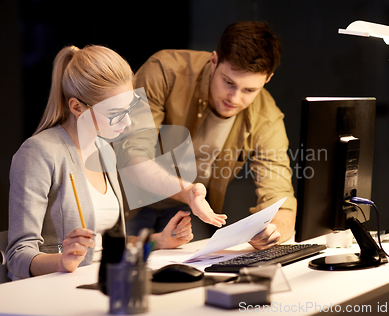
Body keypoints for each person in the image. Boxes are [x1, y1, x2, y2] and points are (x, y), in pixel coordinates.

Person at [5, 45, 193, 280]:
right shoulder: (38, 153)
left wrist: (158, 240)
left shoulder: (105, 150)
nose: (127, 121)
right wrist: (63, 262)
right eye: (114, 112)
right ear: (77, 107)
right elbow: (17, 255)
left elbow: (105, 245)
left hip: (102, 281)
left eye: (130, 107)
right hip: (56, 290)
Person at [125, 21, 297, 250]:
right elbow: (133, 159)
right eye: (228, 82)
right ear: (213, 60)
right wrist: (187, 192)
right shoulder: (165, 71)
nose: (235, 98)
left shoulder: (267, 117)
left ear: (267, 79)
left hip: (190, 212)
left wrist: (273, 230)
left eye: (249, 90)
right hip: (131, 202)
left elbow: (281, 196)